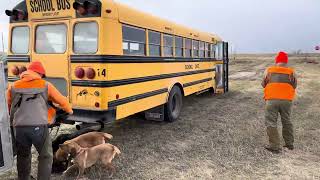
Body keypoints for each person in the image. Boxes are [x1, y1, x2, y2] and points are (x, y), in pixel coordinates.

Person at [6, 61, 73, 180]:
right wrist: (69, 111)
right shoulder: (45, 85)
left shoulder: (14, 86)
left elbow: (7, 105)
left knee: (23, 154)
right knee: (46, 156)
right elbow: (62, 101)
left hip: (19, 127)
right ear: (40, 73)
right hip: (39, 127)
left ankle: (24, 178)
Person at [261, 51, 297, 153]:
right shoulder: (291, 72)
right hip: (287, 101)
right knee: (287, 121)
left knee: (271, 122)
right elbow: (294, 85)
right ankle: (289, 144)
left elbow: (263, 84)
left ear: (276, 60)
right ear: (286, 61)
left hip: (271, 100)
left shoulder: (269, 70)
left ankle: (274, 146)